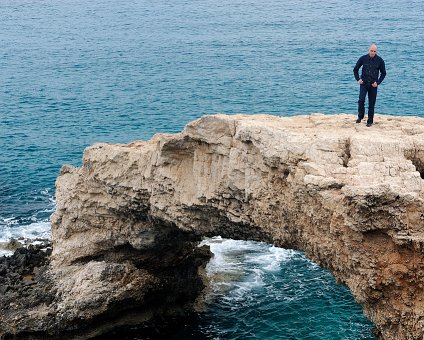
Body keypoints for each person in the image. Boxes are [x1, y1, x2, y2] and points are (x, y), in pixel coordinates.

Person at [353, 44, 386, 127]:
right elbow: (355, 69)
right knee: (361, 100)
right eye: (371, 51)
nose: (372, 52)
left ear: (376, 51)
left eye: (374, 51)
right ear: (369, 50)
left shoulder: (380, 60)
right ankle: (360, 116)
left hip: (373, 85)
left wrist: (377, 82)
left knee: (371, 104)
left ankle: (370, 121)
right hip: (363, 83)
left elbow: (383, 73)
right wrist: (358, 79)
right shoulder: (363, 58)